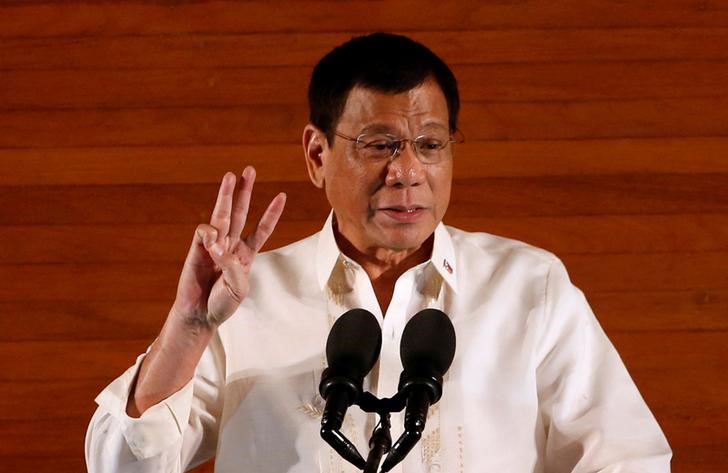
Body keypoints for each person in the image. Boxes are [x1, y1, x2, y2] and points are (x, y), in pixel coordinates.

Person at [85, 33, 671, 472]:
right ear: (317, 155)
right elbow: (119, 463)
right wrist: (188, 328)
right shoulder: (242, 299)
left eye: (430, 144)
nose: (407, 172)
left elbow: (627, 458)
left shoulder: (529, 285)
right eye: (380, 144)